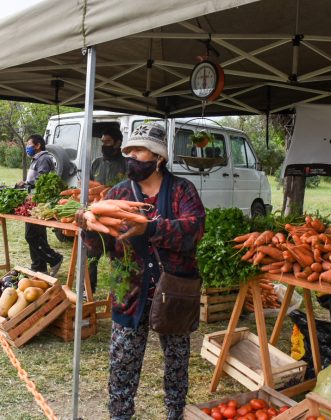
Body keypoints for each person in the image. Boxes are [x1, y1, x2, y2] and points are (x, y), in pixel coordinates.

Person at [77, 122, 205, 420]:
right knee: (122, 364)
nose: (131, 156)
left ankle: (175, 413)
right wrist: (88, 228)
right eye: (129, 150)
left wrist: (150, 228)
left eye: (139, 150)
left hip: (173, 291)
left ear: (158, 157)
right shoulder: (118, 192)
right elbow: (99, 247)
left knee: (176, 361)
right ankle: (120, 415)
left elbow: (194, 230)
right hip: (130, 292)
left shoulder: (182, 190)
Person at [87, 125, 127, 293]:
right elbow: (88, 189)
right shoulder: (96, 164)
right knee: (90, 257)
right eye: (102, 142)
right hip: (97, 220)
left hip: (119, 221)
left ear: (118, 143)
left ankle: (118, 294)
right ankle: (88, 291)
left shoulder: (127, 165)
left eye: (108, 142)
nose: (104, 145)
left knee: (118, 259)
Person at [16, 134, 64, 276]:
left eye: (29, 145)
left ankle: (54, 258)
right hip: (34, 201)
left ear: (37, 145)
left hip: (39, 203)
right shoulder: (36, 159)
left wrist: (26, 183)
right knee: (38, 235)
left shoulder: (43, 159)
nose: (27, 148)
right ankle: (38, 266)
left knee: (31, 235)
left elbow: (42, 180)